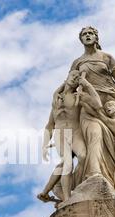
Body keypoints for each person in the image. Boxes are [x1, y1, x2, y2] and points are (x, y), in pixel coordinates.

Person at [37, 70, 86, 203]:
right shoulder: (56, 99)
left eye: (77, 77)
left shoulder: (78, 96)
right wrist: (44, 145)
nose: (75, 78)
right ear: (68, 77)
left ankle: (47, 191)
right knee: (67, 163)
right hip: (60, 133)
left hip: (75, 131)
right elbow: (49, 125)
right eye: (73, 76)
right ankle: (67, 198)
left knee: (83, 157)